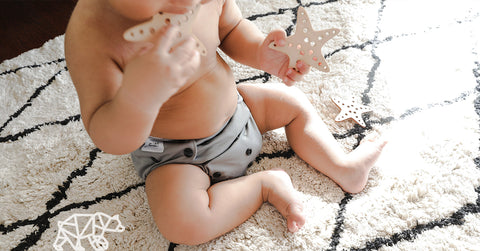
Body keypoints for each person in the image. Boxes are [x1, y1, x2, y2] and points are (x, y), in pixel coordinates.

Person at [65, 0, 387, 245]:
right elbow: (107, 134)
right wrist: (139, 97)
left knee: (292, 103)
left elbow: (230, 28)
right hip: (176, 156)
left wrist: (261, 52)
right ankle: (264, 186)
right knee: (182, 223)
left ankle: (344, 167)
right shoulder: (93, 32)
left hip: (241, 110)